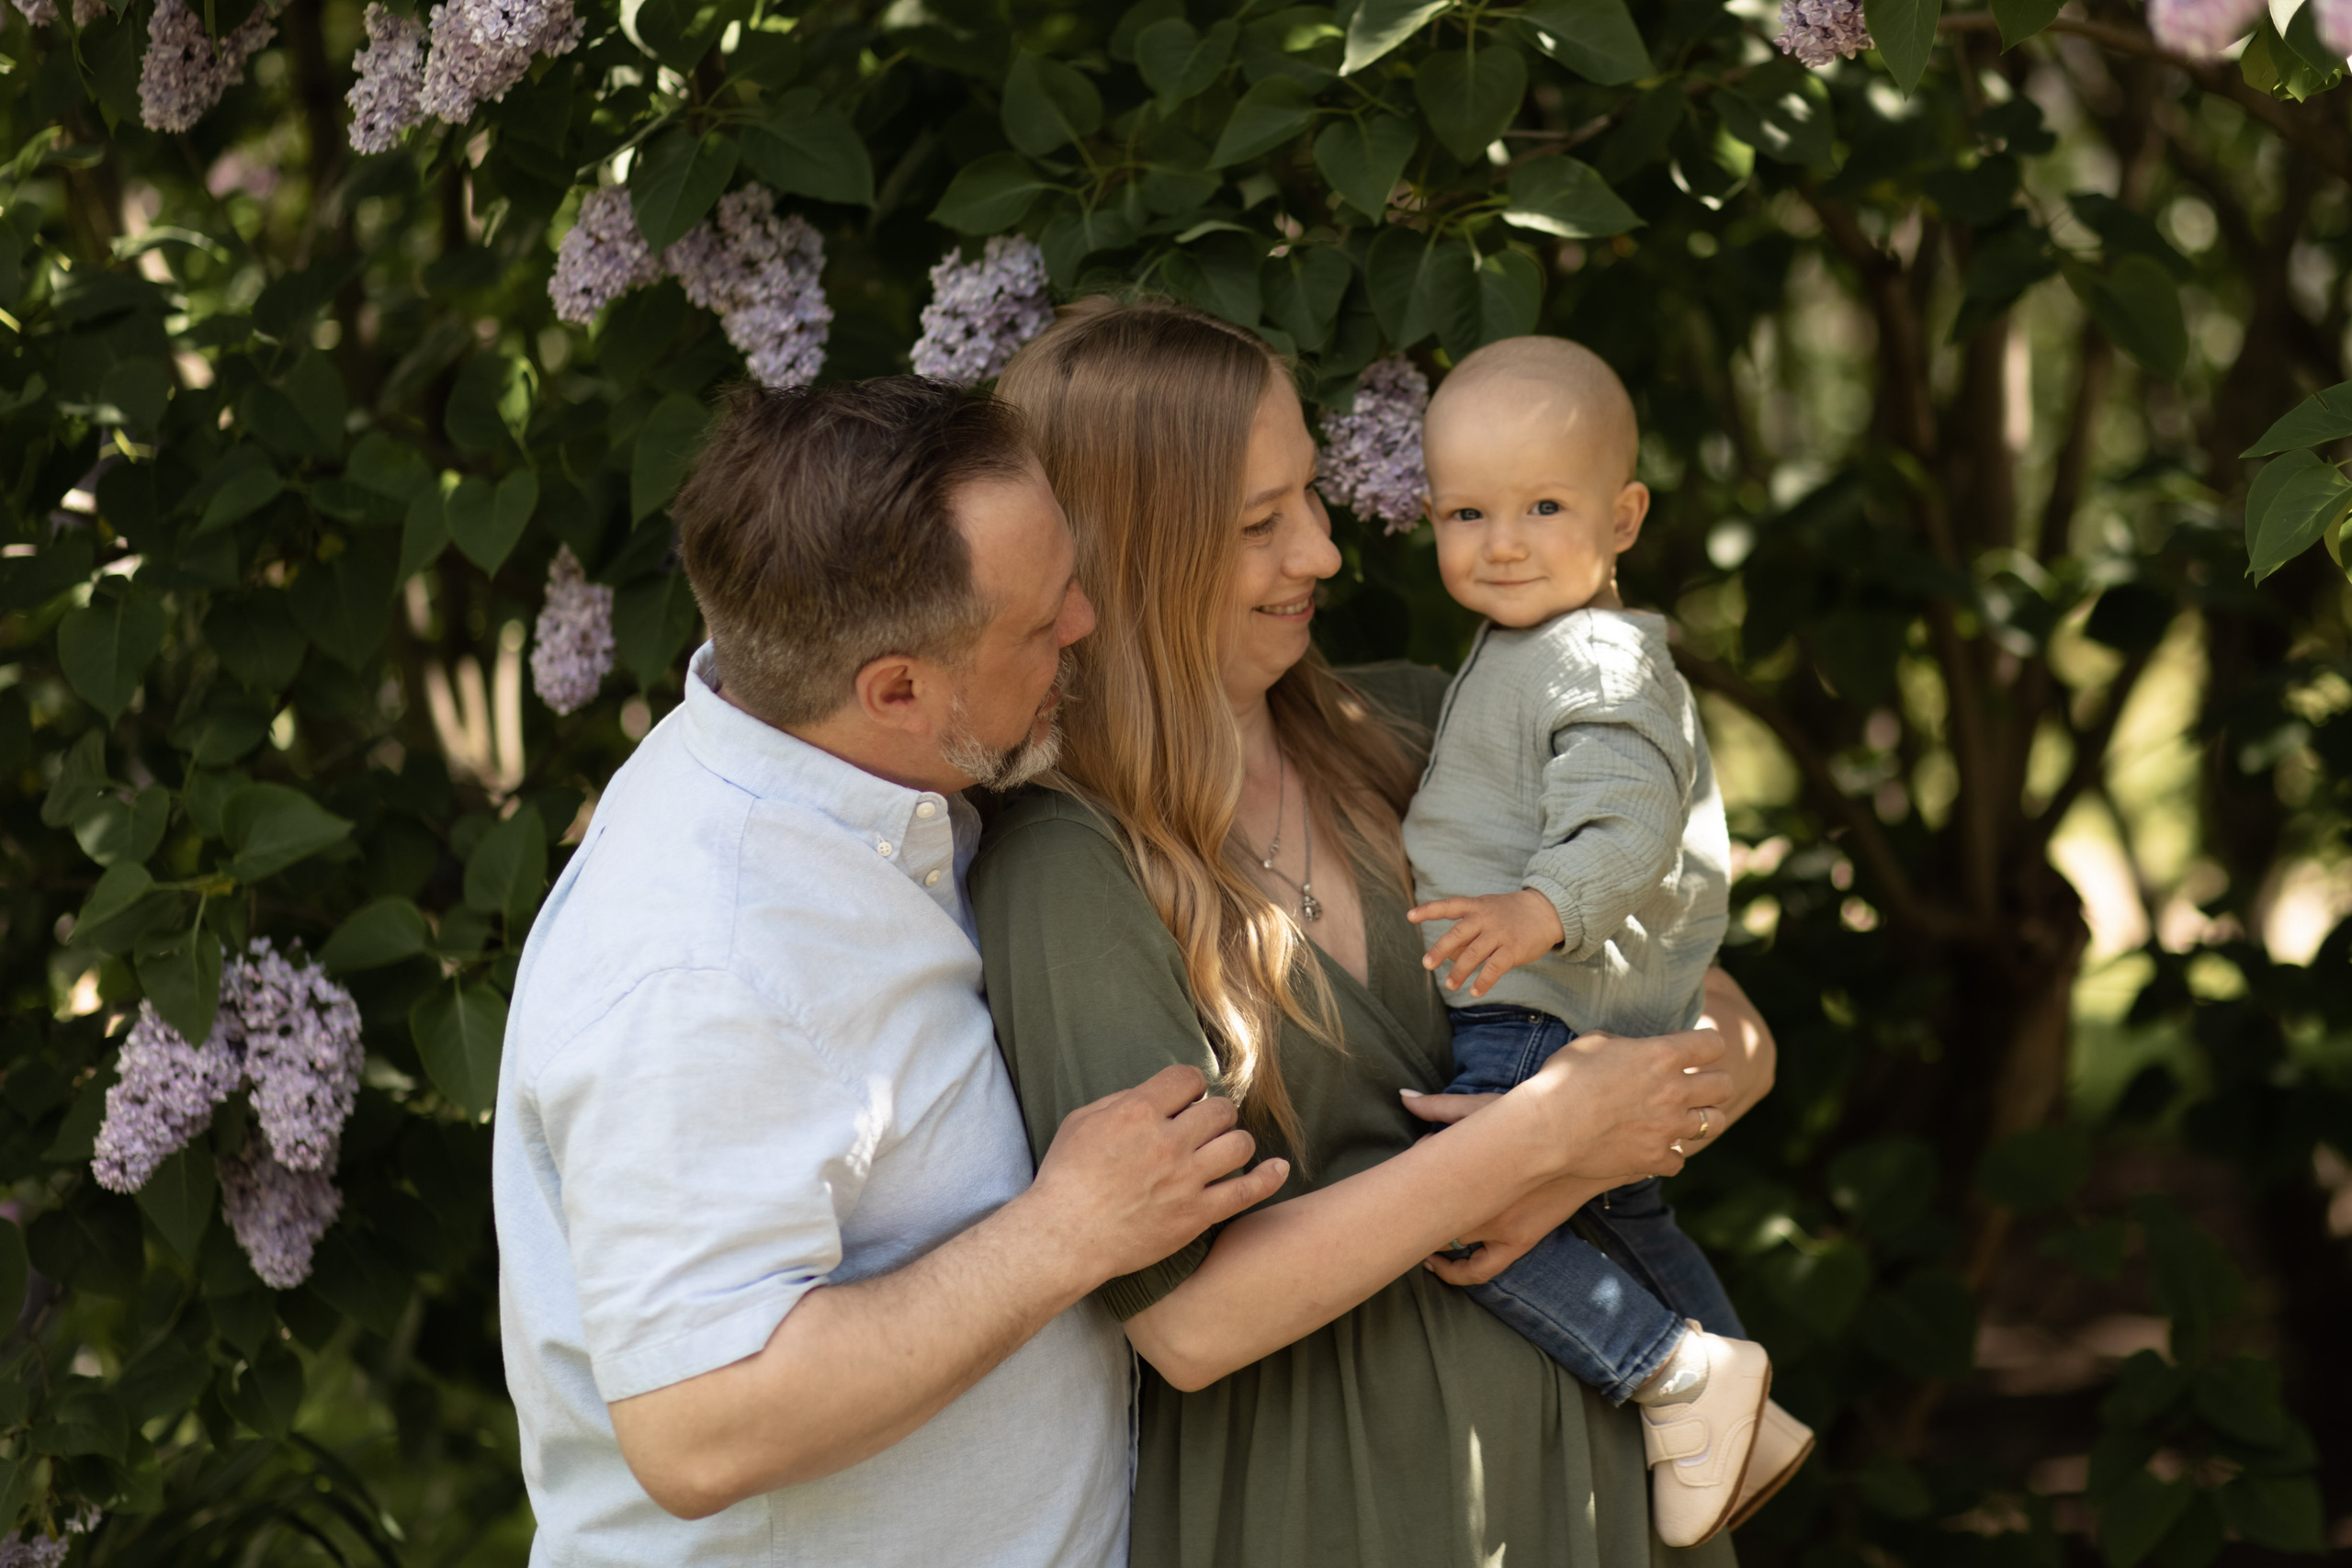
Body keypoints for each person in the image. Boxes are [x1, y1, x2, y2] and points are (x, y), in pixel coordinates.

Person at [973, 296, 1779, 1568]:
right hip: (1335, 1509)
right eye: (1260, 525)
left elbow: (1722, 1018)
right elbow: (1187, 1321)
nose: (1324, 553)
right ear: (1133, 555)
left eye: (1310, 495)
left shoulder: (1423, 733)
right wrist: (1541, 1135)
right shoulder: (1070, 865)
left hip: (1612, 1490)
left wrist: (1586, 1153)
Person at [491, 378, 1291, 1566]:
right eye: (1040, 623)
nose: (1084, 622)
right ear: (898, 690)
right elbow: (701, 1429)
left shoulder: (845, 760)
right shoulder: (700, 964)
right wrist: (1066, 1231)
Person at [1400, 335, 1812, 1546]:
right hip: (1571, 993)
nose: (1503, 542)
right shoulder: (1541, 641)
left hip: (1541, 994)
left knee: (1452, 1208)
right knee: (1626, 1218)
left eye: (1544, 507)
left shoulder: (1592, 652)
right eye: (1467, 513)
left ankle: (1669, 1373)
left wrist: (1540, 909)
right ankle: (1745, 1407)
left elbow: (1630, 820)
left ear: (1623, 517)